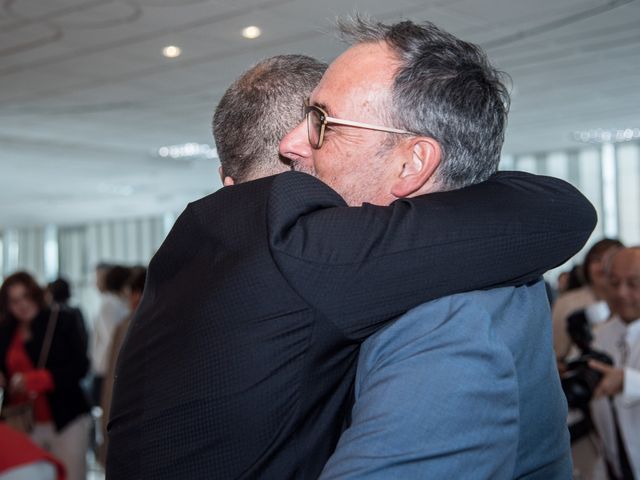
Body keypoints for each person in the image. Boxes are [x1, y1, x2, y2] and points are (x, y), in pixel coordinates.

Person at [107, 53, 595, 479]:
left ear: (225, 181)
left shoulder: (184, 247)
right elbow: (560, 213)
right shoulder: (299, 246)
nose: (308, 137)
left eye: (321, 122)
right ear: (295, 158)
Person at [277, 17, 578, 478]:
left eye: (322, 120)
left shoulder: (453, 323)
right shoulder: (444, 270)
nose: (291, 143)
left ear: (411, 163)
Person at [0, 272, 90, 480]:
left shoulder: (61, 319)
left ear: (36, 295)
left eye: (26, 297)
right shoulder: (6, 330)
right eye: (14, 301)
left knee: (70, 474)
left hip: (66, 417)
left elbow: (80, 367)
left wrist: (35, 380)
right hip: (22, 420)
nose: (22, 305)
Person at [588, 247, 640, 479]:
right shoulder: (599, 337)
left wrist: (628, 382)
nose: (622, 293)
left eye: (634, 283)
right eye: (614, 282)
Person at [98, 267, 146, 466]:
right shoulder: (124, 325)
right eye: (132, 291)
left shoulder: (137, 325)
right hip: (123, 415)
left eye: (139, 291)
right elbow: (111, 379)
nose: (134, 298)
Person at [90, 265, 130, 406]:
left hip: (109, 367)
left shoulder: (116, 302)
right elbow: (112, 338)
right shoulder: (110, 304)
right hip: (107, 369)